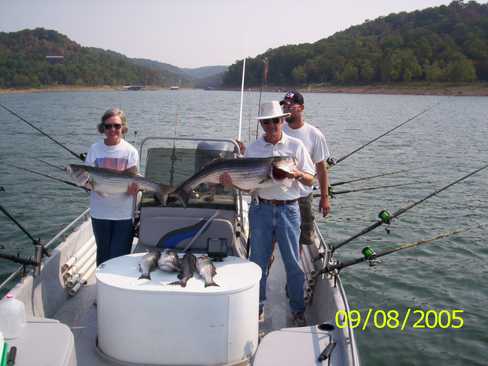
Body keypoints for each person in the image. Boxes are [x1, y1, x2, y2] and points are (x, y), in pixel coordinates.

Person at [221, 101, 315, 326]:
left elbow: (311, 179)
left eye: (275, 120)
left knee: (293, 262)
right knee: (257, 261)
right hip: (260, 208)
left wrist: (296, 173)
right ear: (262, 124)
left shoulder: (296, 146)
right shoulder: (253, 149)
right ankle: (257, 306)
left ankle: (297, 309)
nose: (271, 125)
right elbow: (249, 186)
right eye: (267, 121)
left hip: (289, 210)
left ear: (283, 120)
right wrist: (231, 183)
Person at [85, 108, 139, 266]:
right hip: (99, 213)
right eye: (108, 126)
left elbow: (134, 180)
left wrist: (135, 189)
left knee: (120, 256)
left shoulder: (130, 152)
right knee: (103, 255)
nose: (113, 130)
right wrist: (87, 184)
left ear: (123, 127)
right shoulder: (94, 149)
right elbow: (88, 181)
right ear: (103, 128)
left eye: (116, 125)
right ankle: (103, 289)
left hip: (123, 214)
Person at [280, 90, 331, 246]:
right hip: (280, 195)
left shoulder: (315, 134)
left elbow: (321, 170)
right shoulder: (277, 129)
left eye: (290, 106)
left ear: (301, 108)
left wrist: (324, 198)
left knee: (303, 241)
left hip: (303, 196)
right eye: (284, 105)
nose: (286, 109)